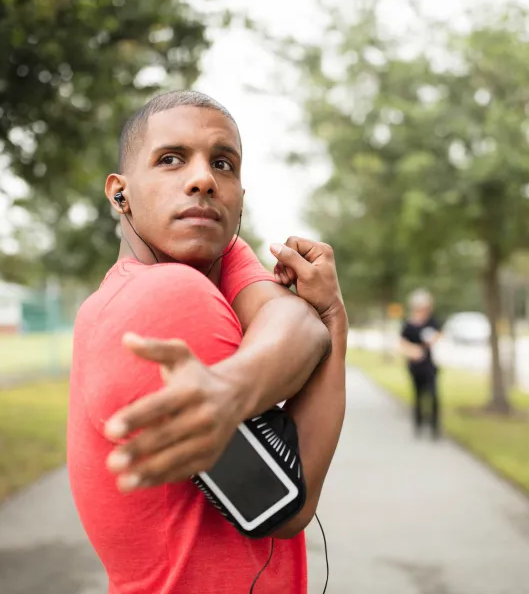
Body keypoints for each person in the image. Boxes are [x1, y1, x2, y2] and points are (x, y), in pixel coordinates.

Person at [67, 90, 347, 594]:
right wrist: (331, 319)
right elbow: (284, 507)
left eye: (224, 164)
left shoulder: (218, 255)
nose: (204, 180)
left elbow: (299, 325)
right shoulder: (165, 294)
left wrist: (231, 386)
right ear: (119, 193)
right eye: (170, 159)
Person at [399, 289, 442, 438]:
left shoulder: (431, 321)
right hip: (415, 365)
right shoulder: (409, 325)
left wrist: (432, 340)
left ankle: (435, 428)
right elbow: (402, 343)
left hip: (429, 364)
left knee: (434, 395)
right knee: (418, 396)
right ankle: (418, 426)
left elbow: (439, 334)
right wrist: (414, 350)